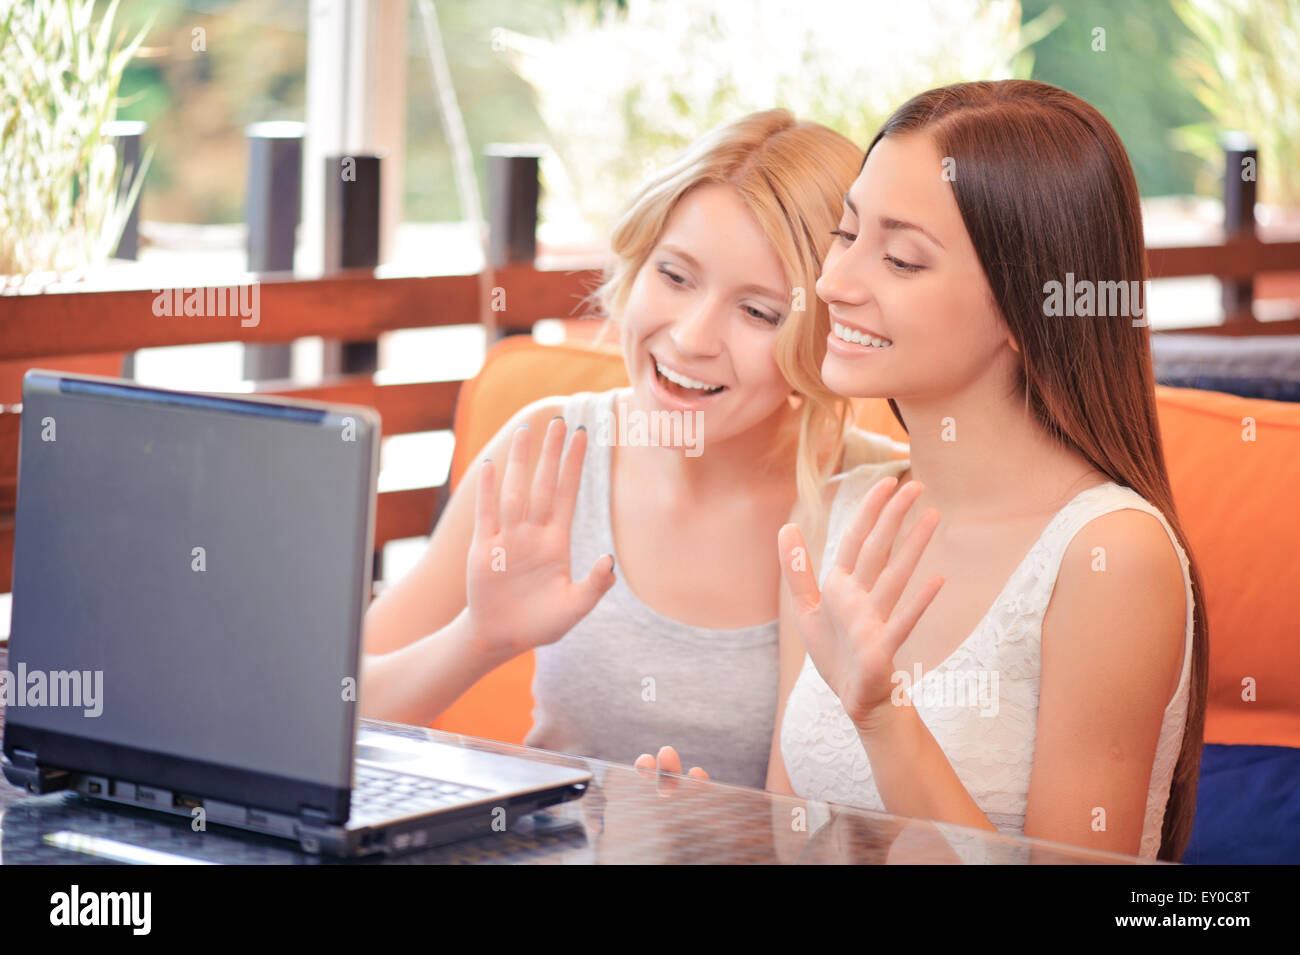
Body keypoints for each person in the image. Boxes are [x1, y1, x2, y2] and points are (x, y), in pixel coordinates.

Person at [360, 110, 875, 789]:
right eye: (675, 274)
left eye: (759, 312)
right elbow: (333, 711)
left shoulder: (873, 500)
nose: (692, 337)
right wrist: (478, 641)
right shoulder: (548, 447)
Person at [766, 80, 1208, 862]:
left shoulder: (1110, 558)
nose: (834, 282)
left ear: (1025, 305)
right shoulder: (832, 513)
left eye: (901, 258)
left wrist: (884, 719)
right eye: (846, 232)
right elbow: (788, 839)